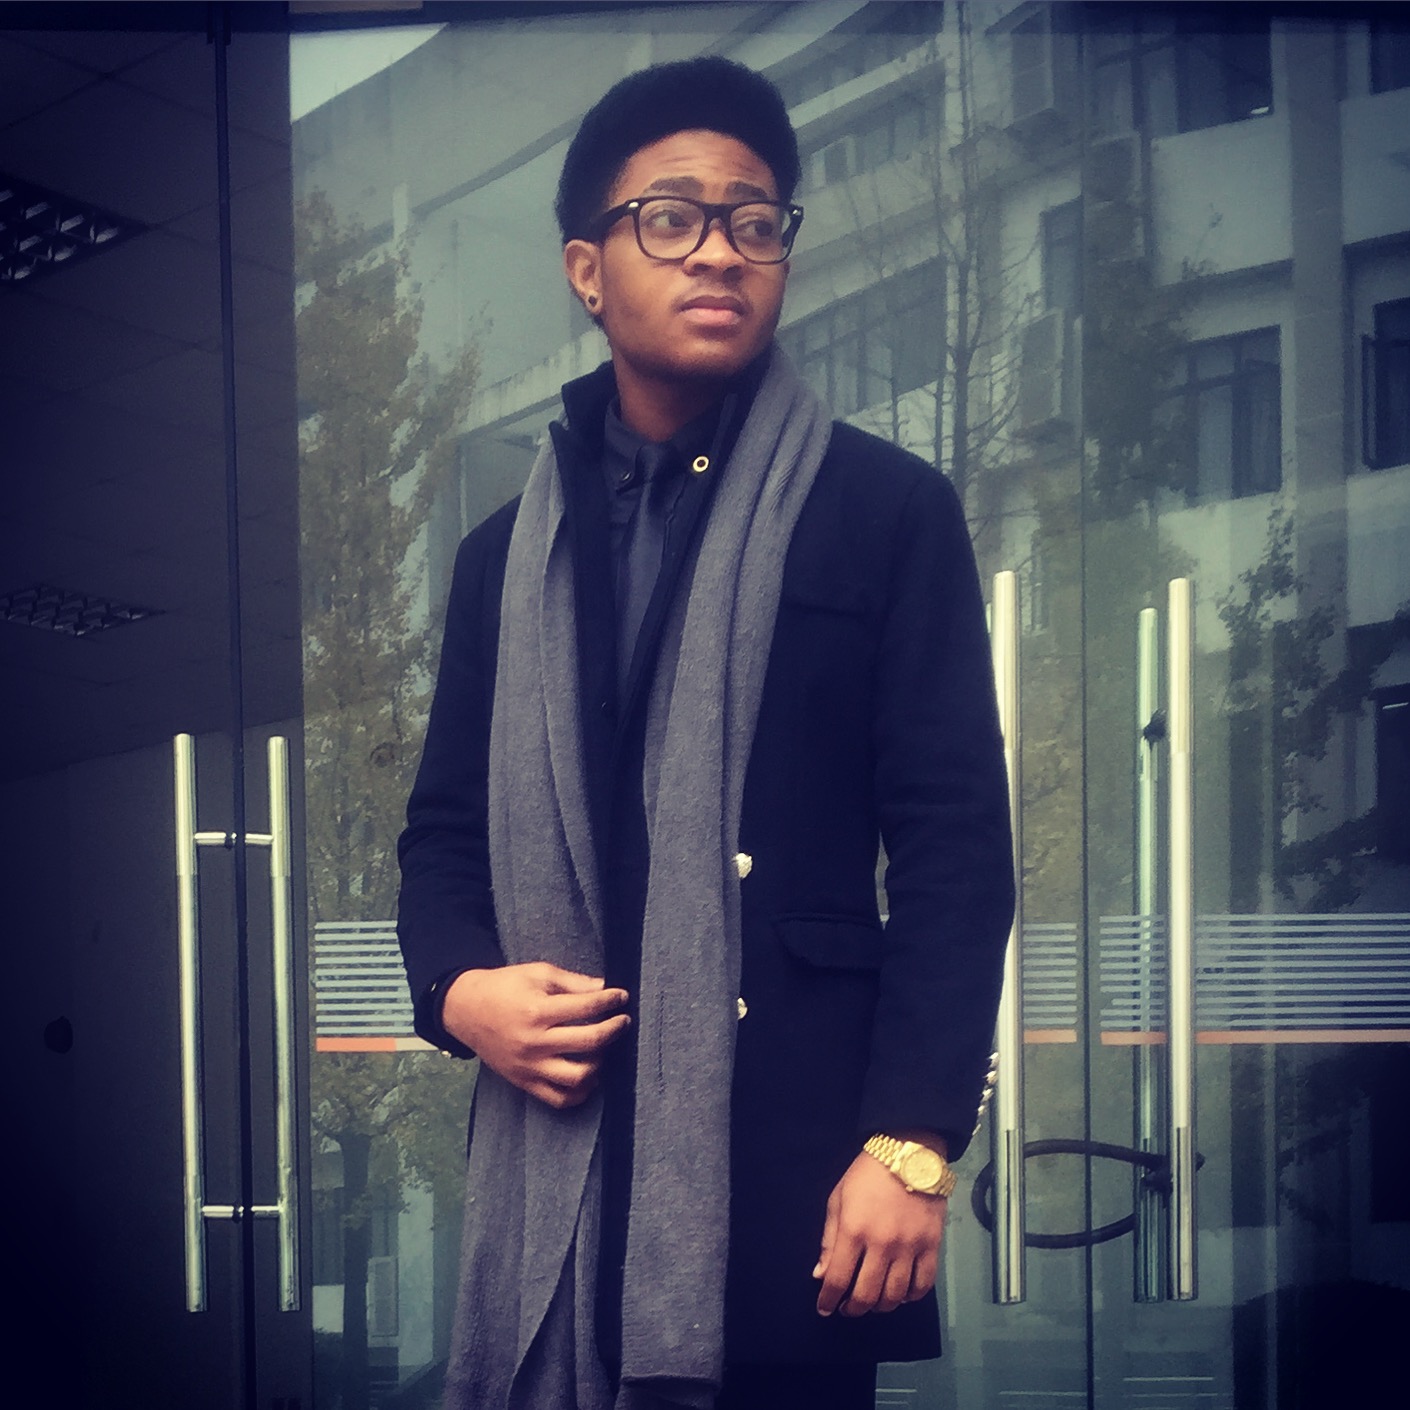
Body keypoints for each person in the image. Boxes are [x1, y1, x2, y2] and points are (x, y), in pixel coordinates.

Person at [397, 56, 1014, 1410]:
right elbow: (442, 835)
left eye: (754, 220)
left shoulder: (884, 510)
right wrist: (458, 992)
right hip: (560, 1147)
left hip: (799, 1165)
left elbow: (956, 850)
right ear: (586, 269)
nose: (720, 251)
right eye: (670, 218)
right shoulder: (503, 558)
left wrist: (912, 1140)